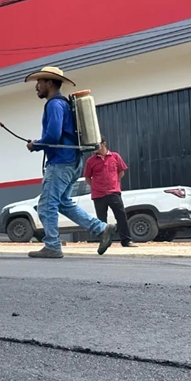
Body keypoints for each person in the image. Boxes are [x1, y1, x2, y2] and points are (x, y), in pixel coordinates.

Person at [23, 66, 116, 259]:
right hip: (72, 162)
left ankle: (52, 246)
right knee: (63, 203)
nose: (37, 86)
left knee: (46, 205)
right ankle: (101, 229)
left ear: (49, 83)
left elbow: (54, 135)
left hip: (60, 163)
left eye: (39, 82)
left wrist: (36, 145)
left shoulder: (54, 105)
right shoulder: (63, 104)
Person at [83, 138, 136, 247]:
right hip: (98, 195)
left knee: (121, 216)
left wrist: (113, 182)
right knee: (101, 220)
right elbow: (88, 178)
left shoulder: (115, 156)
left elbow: (121, 173)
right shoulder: (90, 161)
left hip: (114, 192)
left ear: (103, 144)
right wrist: (96, 186)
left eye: (96, 145)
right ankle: (104, 242)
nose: (94, 148)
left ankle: (126, 240)